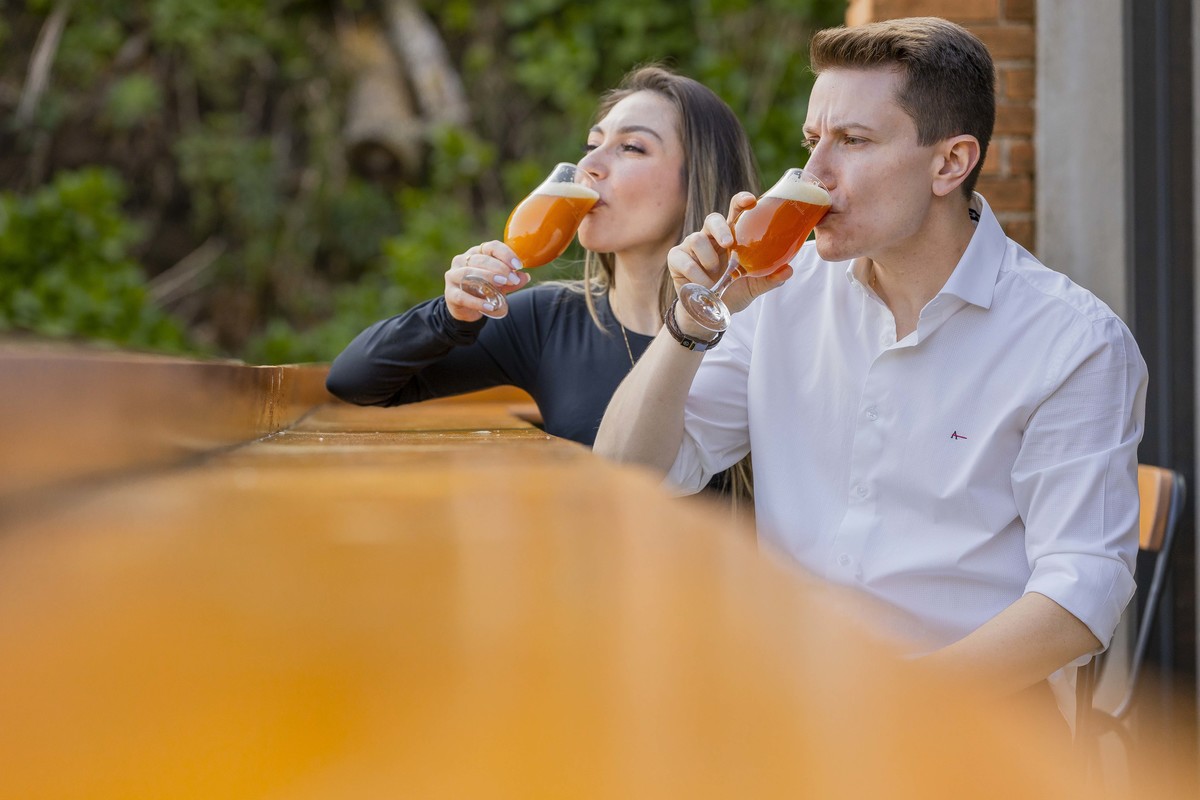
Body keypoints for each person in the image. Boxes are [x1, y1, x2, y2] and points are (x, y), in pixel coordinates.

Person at [595, 17, 1147, 710]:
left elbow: (1082, 590)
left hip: (969, 720)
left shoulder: (1073, 341)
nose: (813, 175)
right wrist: (691, 322)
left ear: (950, 163)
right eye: (812, 142)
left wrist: (893, 705)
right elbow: (626, 475)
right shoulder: (779, 293)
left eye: (853, 142)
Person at [325, 66, 759, 458]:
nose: (588, 164)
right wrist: (449, 316)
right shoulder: (551, 320)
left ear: (698, 178)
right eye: (592, 144)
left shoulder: (752, 325)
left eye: (631, 147)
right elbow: (353, 382)